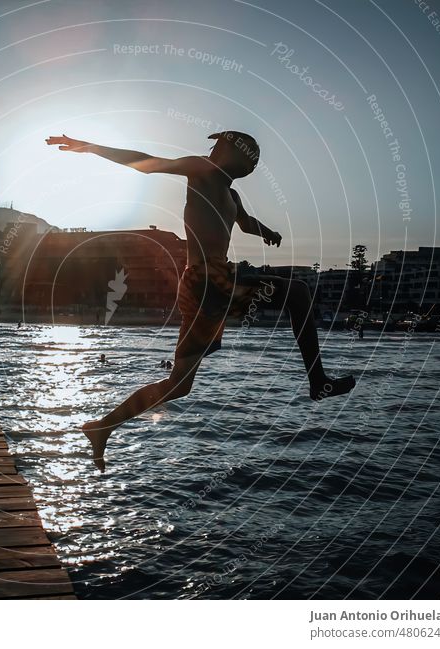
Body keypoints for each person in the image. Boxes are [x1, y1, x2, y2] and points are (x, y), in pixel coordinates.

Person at [47, 131, 355, 471]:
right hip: (208, 279)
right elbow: (146, 163)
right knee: (297, 292)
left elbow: (244, 221)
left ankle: (103, 426)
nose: (251, 164)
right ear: (224, 152)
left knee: (179, 385)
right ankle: (318, 381)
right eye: (246, 155)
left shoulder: (230, 194)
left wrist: (267, 231)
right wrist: (92, 147)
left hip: (204, 288)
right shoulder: (201, 171)